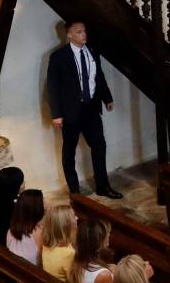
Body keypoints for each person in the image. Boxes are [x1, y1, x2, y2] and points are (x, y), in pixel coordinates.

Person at [46, 21, 120, 199]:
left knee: (99, 146)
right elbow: (52, 87)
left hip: (91, 108)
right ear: (69, 35)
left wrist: (107, 98)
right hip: (71, 111)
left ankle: (103, 186)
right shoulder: (59, 57)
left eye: (85, 31)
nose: (84, 35)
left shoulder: (93, 51)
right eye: (79, 32)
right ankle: (75, 191)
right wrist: (56, 114)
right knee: (69, 151)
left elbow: (98, 77)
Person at [70, 218, 115, 283]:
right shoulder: (103, 275)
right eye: (106, 234)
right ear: (99, 244)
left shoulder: (79, 259)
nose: (109, 235)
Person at [5, 189, 45, 265]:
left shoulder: (10, 232)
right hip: (33, 274)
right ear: (36, 209)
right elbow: (43, 261)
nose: (44, 205)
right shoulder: (39, 232)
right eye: (42, 203)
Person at [40, 206, 77, 281]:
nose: (77, 218)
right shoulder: (69, 254)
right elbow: (73, 282)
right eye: (73, 216)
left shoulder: (48, 243)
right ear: (66, 226)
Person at [0, 166, 24, 245]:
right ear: (14, 188)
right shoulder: (14, 210)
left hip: (0, 245)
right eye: (21, 182)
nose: (24, 183)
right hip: (8, 250)